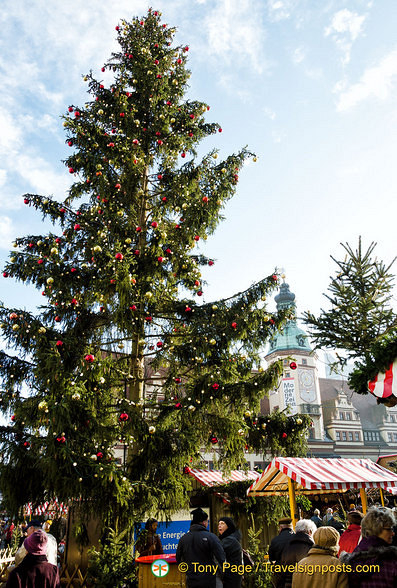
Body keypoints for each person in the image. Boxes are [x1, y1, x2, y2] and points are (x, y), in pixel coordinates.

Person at [346, 507, 397, 587]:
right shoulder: (390, 560)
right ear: (377, 529)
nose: (392, 533)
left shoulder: (353, 558)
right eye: (389, 529)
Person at [176, 508, 225, 588]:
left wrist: (189, 572)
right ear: (204, 522)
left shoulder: (183, 538)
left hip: (191, 581)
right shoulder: (211, 537)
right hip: (210, 580)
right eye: (207, 521)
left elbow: (178, 559)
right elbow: (222, 558)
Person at [278, 519, 316, 588]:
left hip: (289, 584)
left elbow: (281, 567)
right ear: (310, 532)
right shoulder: (312, 547)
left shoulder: (287, 546)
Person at [218, 517, 242, 588]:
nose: (219, 525)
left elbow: (217, 550)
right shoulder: (228, 538)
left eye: (222, 523)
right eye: (219, 524)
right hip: (233, 573)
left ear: (229, 526)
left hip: (232, 575)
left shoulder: (229, 540)